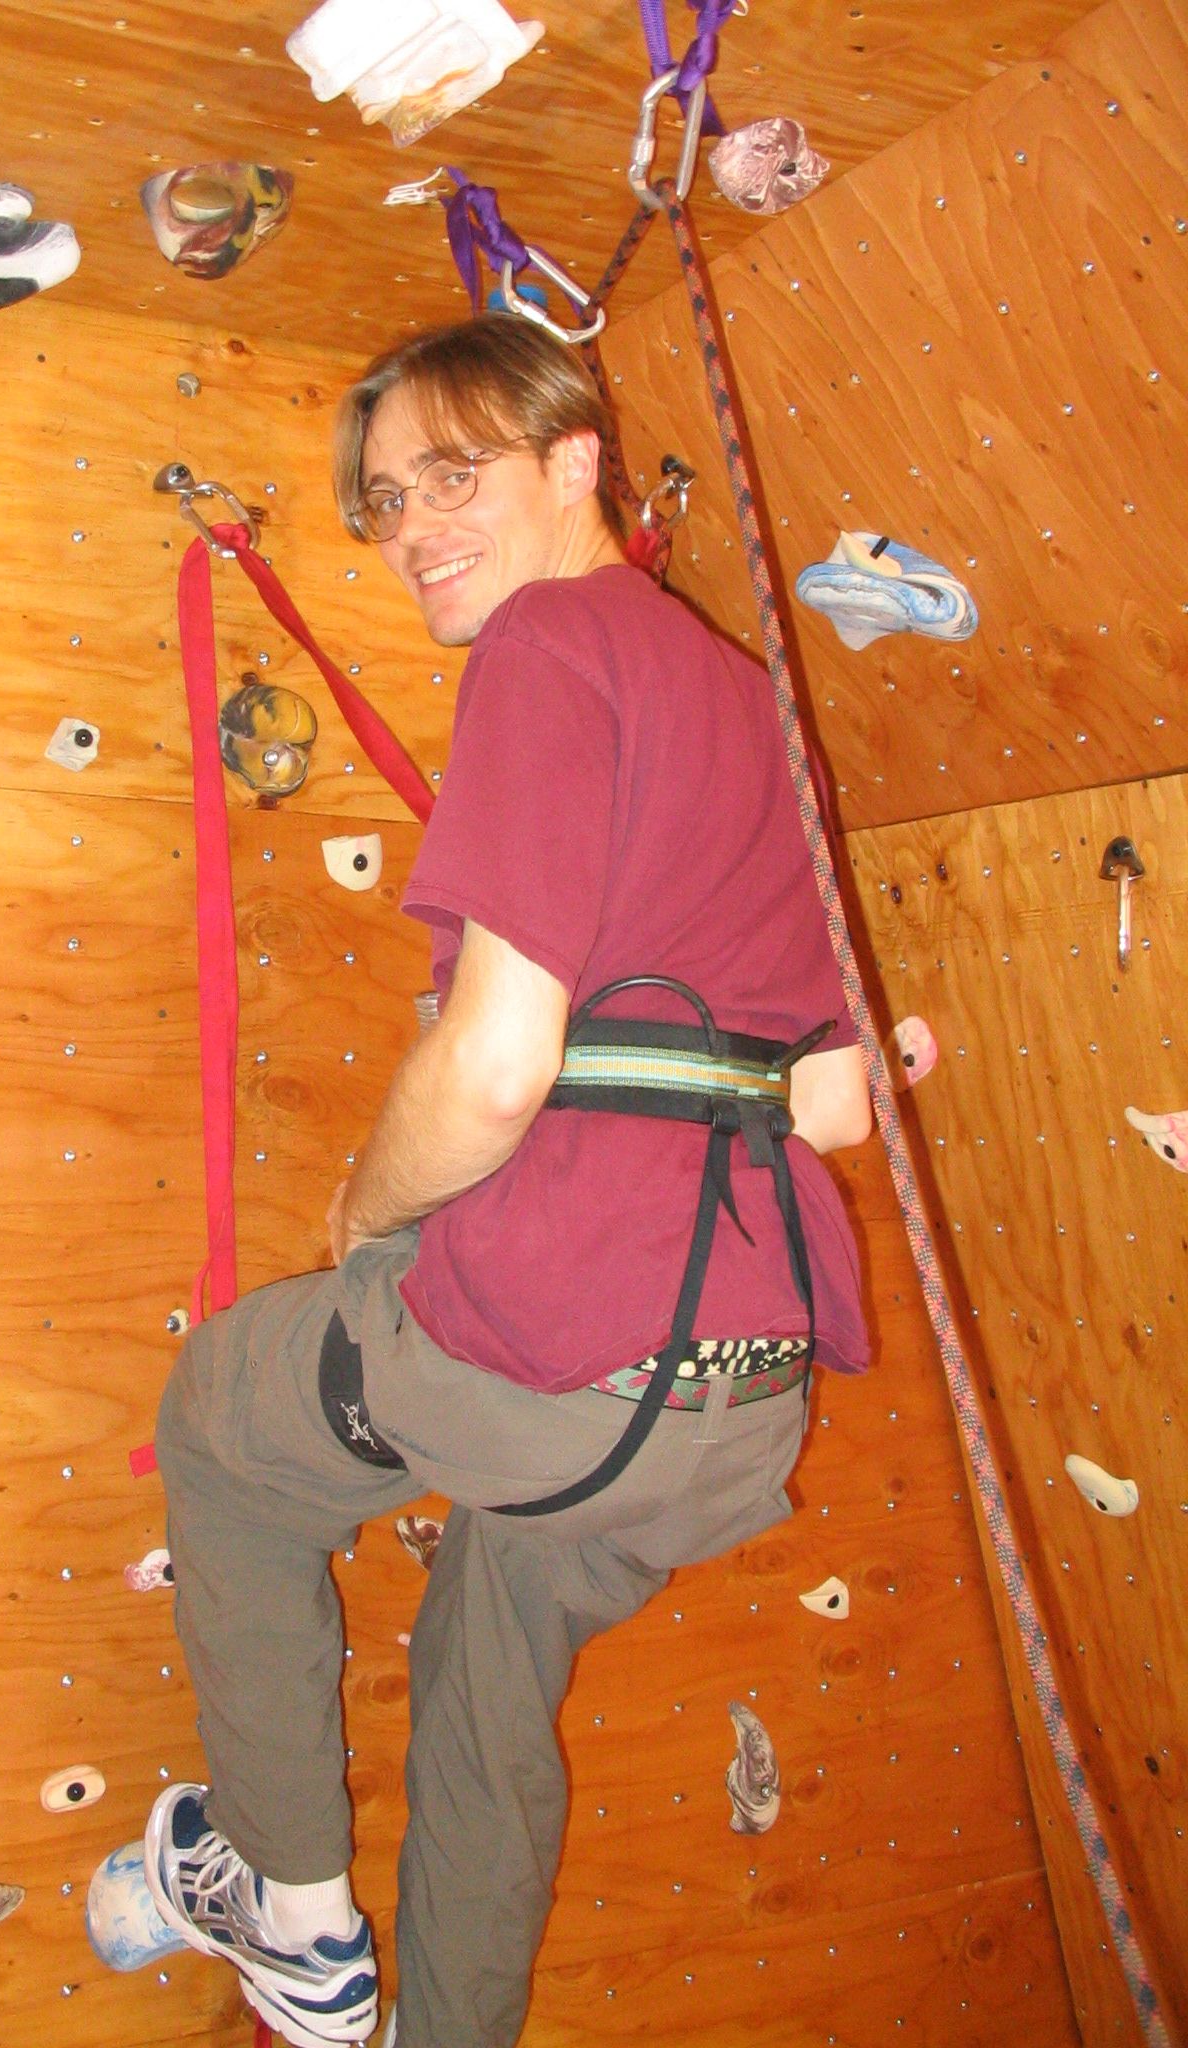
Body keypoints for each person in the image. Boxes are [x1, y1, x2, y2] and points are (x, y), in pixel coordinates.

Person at [108, 314, 872, 2048]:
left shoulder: (547, 646)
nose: (412, 527)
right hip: (738, 1405)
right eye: (384, 502)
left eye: (454, 474)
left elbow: (497, 1064)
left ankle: (290, 1917)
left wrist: (367, 1223)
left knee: (227, 1418)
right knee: (484, 1693)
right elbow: (831, 1107)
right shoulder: (750, 702)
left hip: (571, 1368)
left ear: (576, 464)